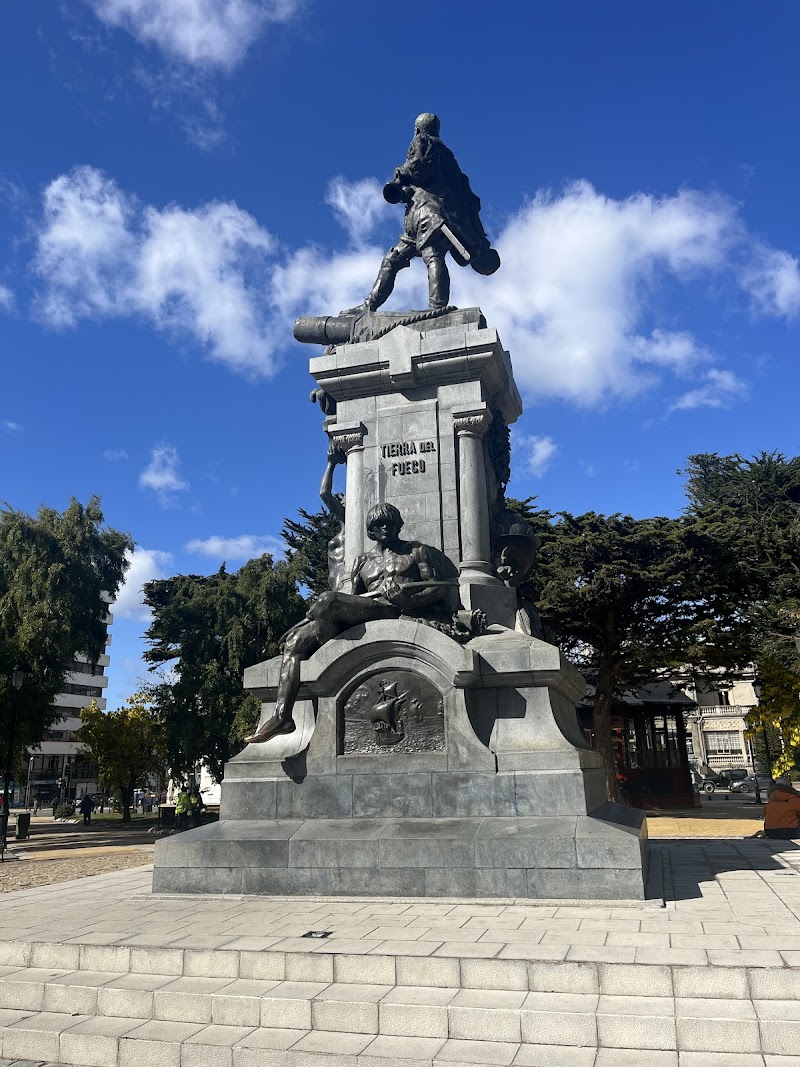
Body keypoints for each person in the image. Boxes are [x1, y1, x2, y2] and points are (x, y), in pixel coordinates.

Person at [244, 503, 449, 745]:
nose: (385, 527)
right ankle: (283, 716)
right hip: (364, 612)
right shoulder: (362, 561)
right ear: (371, 530)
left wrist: (410, 600)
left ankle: (316, 616)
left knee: (327, 601)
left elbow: (437, 589)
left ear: (398, 525)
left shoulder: (414, 551)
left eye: (390, 522)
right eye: (378, 524)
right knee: (295, 642)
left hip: (392, 608)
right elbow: (353, 599)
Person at [358, 114, 500, 313]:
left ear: (417, 130)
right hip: (428, 216)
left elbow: (418, 168)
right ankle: (368, 306)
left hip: (429, 214)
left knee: (432, 256)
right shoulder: (449, 158)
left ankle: (436, 308)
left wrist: (400, 173)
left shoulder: (422, 142)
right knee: (393, 259)